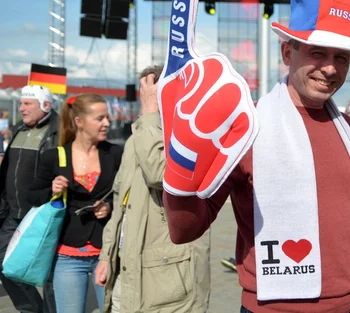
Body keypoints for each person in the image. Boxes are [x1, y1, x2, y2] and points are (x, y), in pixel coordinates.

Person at [163, 0, 350, 312]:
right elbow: (184, 231)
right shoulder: (248, 128)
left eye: (342, 57)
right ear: (288, 52)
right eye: (317, 52)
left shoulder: (347, 129)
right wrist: (180, 165)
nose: (331, 67)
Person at [94, 67, 211, 313]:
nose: (144, 101)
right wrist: (107, 255)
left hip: (168, 286)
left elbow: (160, 174)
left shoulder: (196, 133)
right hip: (127, 274)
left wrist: (149, 114)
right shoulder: (138, 138)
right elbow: (121, 205)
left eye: (150, 94)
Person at [27, 94, 123, 313]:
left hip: (107, 255)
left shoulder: (115, 153)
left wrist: (109, 205)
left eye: (107, 118)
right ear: (79, 121)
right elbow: (32, 196)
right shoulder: (55, 156)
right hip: (67, 257)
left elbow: (127, 197)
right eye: (100, 119)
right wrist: (51, 190)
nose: (107, 123)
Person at [0, 85, 58, 313]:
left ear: (45, 105)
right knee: (5, 266)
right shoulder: (19, 129)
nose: (21, 108)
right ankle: (33, 310)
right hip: (13, 215)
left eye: (27, 104)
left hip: (44, 216)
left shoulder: (58, 131)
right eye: (21, 103)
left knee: (51, 277)